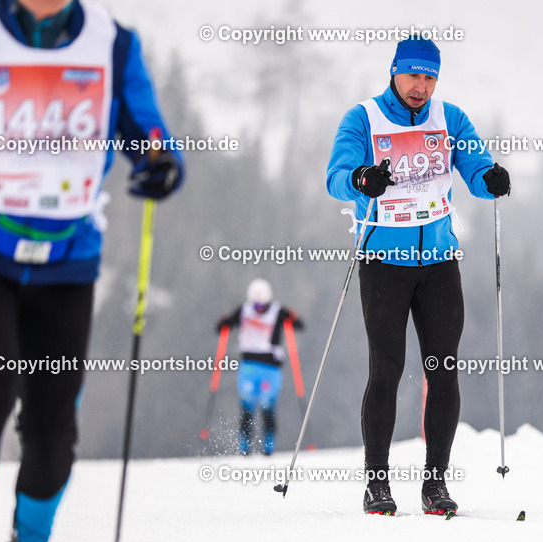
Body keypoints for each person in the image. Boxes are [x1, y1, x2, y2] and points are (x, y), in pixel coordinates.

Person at [0, 0, 183, 542]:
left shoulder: (112, 43)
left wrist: (160, 161)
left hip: (66, 259)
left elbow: (147, 131)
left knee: (56, 414)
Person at [326, 37, 511, 515]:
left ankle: (435, 485)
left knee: (443, 371)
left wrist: (489, 177)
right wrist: (361, 178)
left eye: (430, 77)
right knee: (386, 370)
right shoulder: (363, 118)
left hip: (439, 266)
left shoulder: (450, 118)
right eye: (412, 75)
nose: (420, 87)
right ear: (394, 72)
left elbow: (474, 164)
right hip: (383, 263)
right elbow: (337, 175)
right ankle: (377, 484)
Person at [215, 278, 304, 456]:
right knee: (247, 406)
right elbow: (222, 328)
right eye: (256, 305)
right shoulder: (244, 310)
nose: (259, 309)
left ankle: (268, 447)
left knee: (267, 406)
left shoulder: (279, 311)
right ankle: (244, 447)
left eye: (263, 306)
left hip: (271, 369)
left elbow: (299, 325)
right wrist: (224, 322)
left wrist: (293, 317)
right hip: (249, 367)